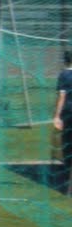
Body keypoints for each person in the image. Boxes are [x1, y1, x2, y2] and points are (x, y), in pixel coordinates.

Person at [52, 50, 72, 192]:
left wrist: (57, 116)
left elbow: (62, 97)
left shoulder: (64, 75)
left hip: (69, 114)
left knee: (68, 145)